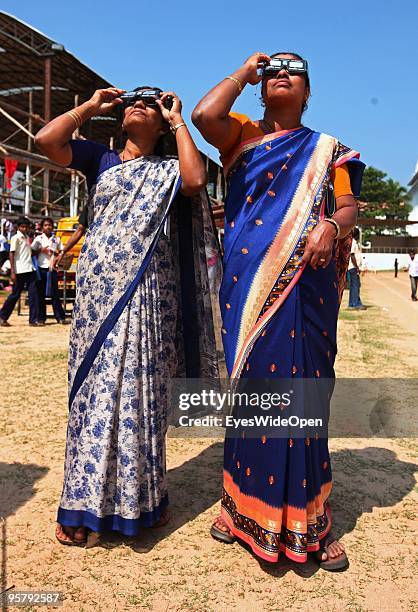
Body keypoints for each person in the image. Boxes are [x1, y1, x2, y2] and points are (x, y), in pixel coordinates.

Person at [193, 51, 365, 571]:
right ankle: (238, 506)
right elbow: (203, 117)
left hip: (304, 286)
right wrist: (245, 71)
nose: (281, 77)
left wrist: (332, 227)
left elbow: (348, 206)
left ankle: (312, 515)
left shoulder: (330, 151)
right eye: (271, 75)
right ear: (261, 90)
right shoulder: (242, 135)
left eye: (294, 73)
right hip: (249, 286)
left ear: (308, 93)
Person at [35, 85, 220, 546]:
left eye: (151, 103)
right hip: (99, 297)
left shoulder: (168, 169)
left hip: (147, 296)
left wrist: (178, 120)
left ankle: (141, 501)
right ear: (119, 117)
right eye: (132, 100)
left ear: (160, 124)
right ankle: (84, 504)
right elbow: (45, 141)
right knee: (94, 398)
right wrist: (90, 107)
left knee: (140, 396)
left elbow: (196, 180)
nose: (139, 104)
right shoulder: (100, 160)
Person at [0, 216, 40, 327]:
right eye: (22, 226)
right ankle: (2, 316)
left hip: (29, 268)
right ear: (18, 227)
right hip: (19, 270)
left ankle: (33, 320)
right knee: (15, 294)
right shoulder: (15, 238)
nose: (24, 229)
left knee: (33, 294)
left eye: (26, 227)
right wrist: (12, 271)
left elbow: (28, 253)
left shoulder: (26, 237)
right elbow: (11, 253)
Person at [31, 217, 67, 324]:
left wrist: (57, 258)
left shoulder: (56, 239)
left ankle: (60, 317)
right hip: (41, 268)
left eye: (50, 225)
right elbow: (32, 252)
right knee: (40, 294)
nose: (48, 227)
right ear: (42, 227)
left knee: (55, 294)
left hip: (52, 268)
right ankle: (41, 318)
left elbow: (62, 251)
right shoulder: (38, 239)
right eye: (46, 225)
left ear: (52, 227)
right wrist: (41, 249)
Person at [347, 227, 366, 310]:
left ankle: (351, 303)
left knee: (353, 286)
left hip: (352, 267)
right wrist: (357, 267)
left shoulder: (353, 242)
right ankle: (355, 303)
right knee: (356, 286)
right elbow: (352, 255)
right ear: (357, 235)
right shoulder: (353, 242)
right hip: (353, 268)